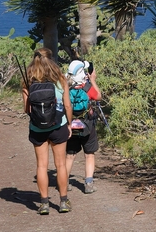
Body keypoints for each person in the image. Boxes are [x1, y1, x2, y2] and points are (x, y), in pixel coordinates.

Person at [22, 48, 73, 215]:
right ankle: (63, 201)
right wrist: (69, 124)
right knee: (60, 165)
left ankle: (44, 204)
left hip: (37, 128)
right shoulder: (60, 79)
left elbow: (26, 109)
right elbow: (67, 105)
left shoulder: (28, 81)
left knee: (41, 166)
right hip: (58, 125)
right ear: (51, 60)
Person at [65, 59, 101, 194]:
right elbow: (99, 96)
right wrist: (92, 80)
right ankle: (89, 183)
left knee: (70, 155)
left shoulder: (66, 88)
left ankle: (65, 182)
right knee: (89, 154)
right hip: (87, 125)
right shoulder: (87, 88)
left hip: (70, 126)